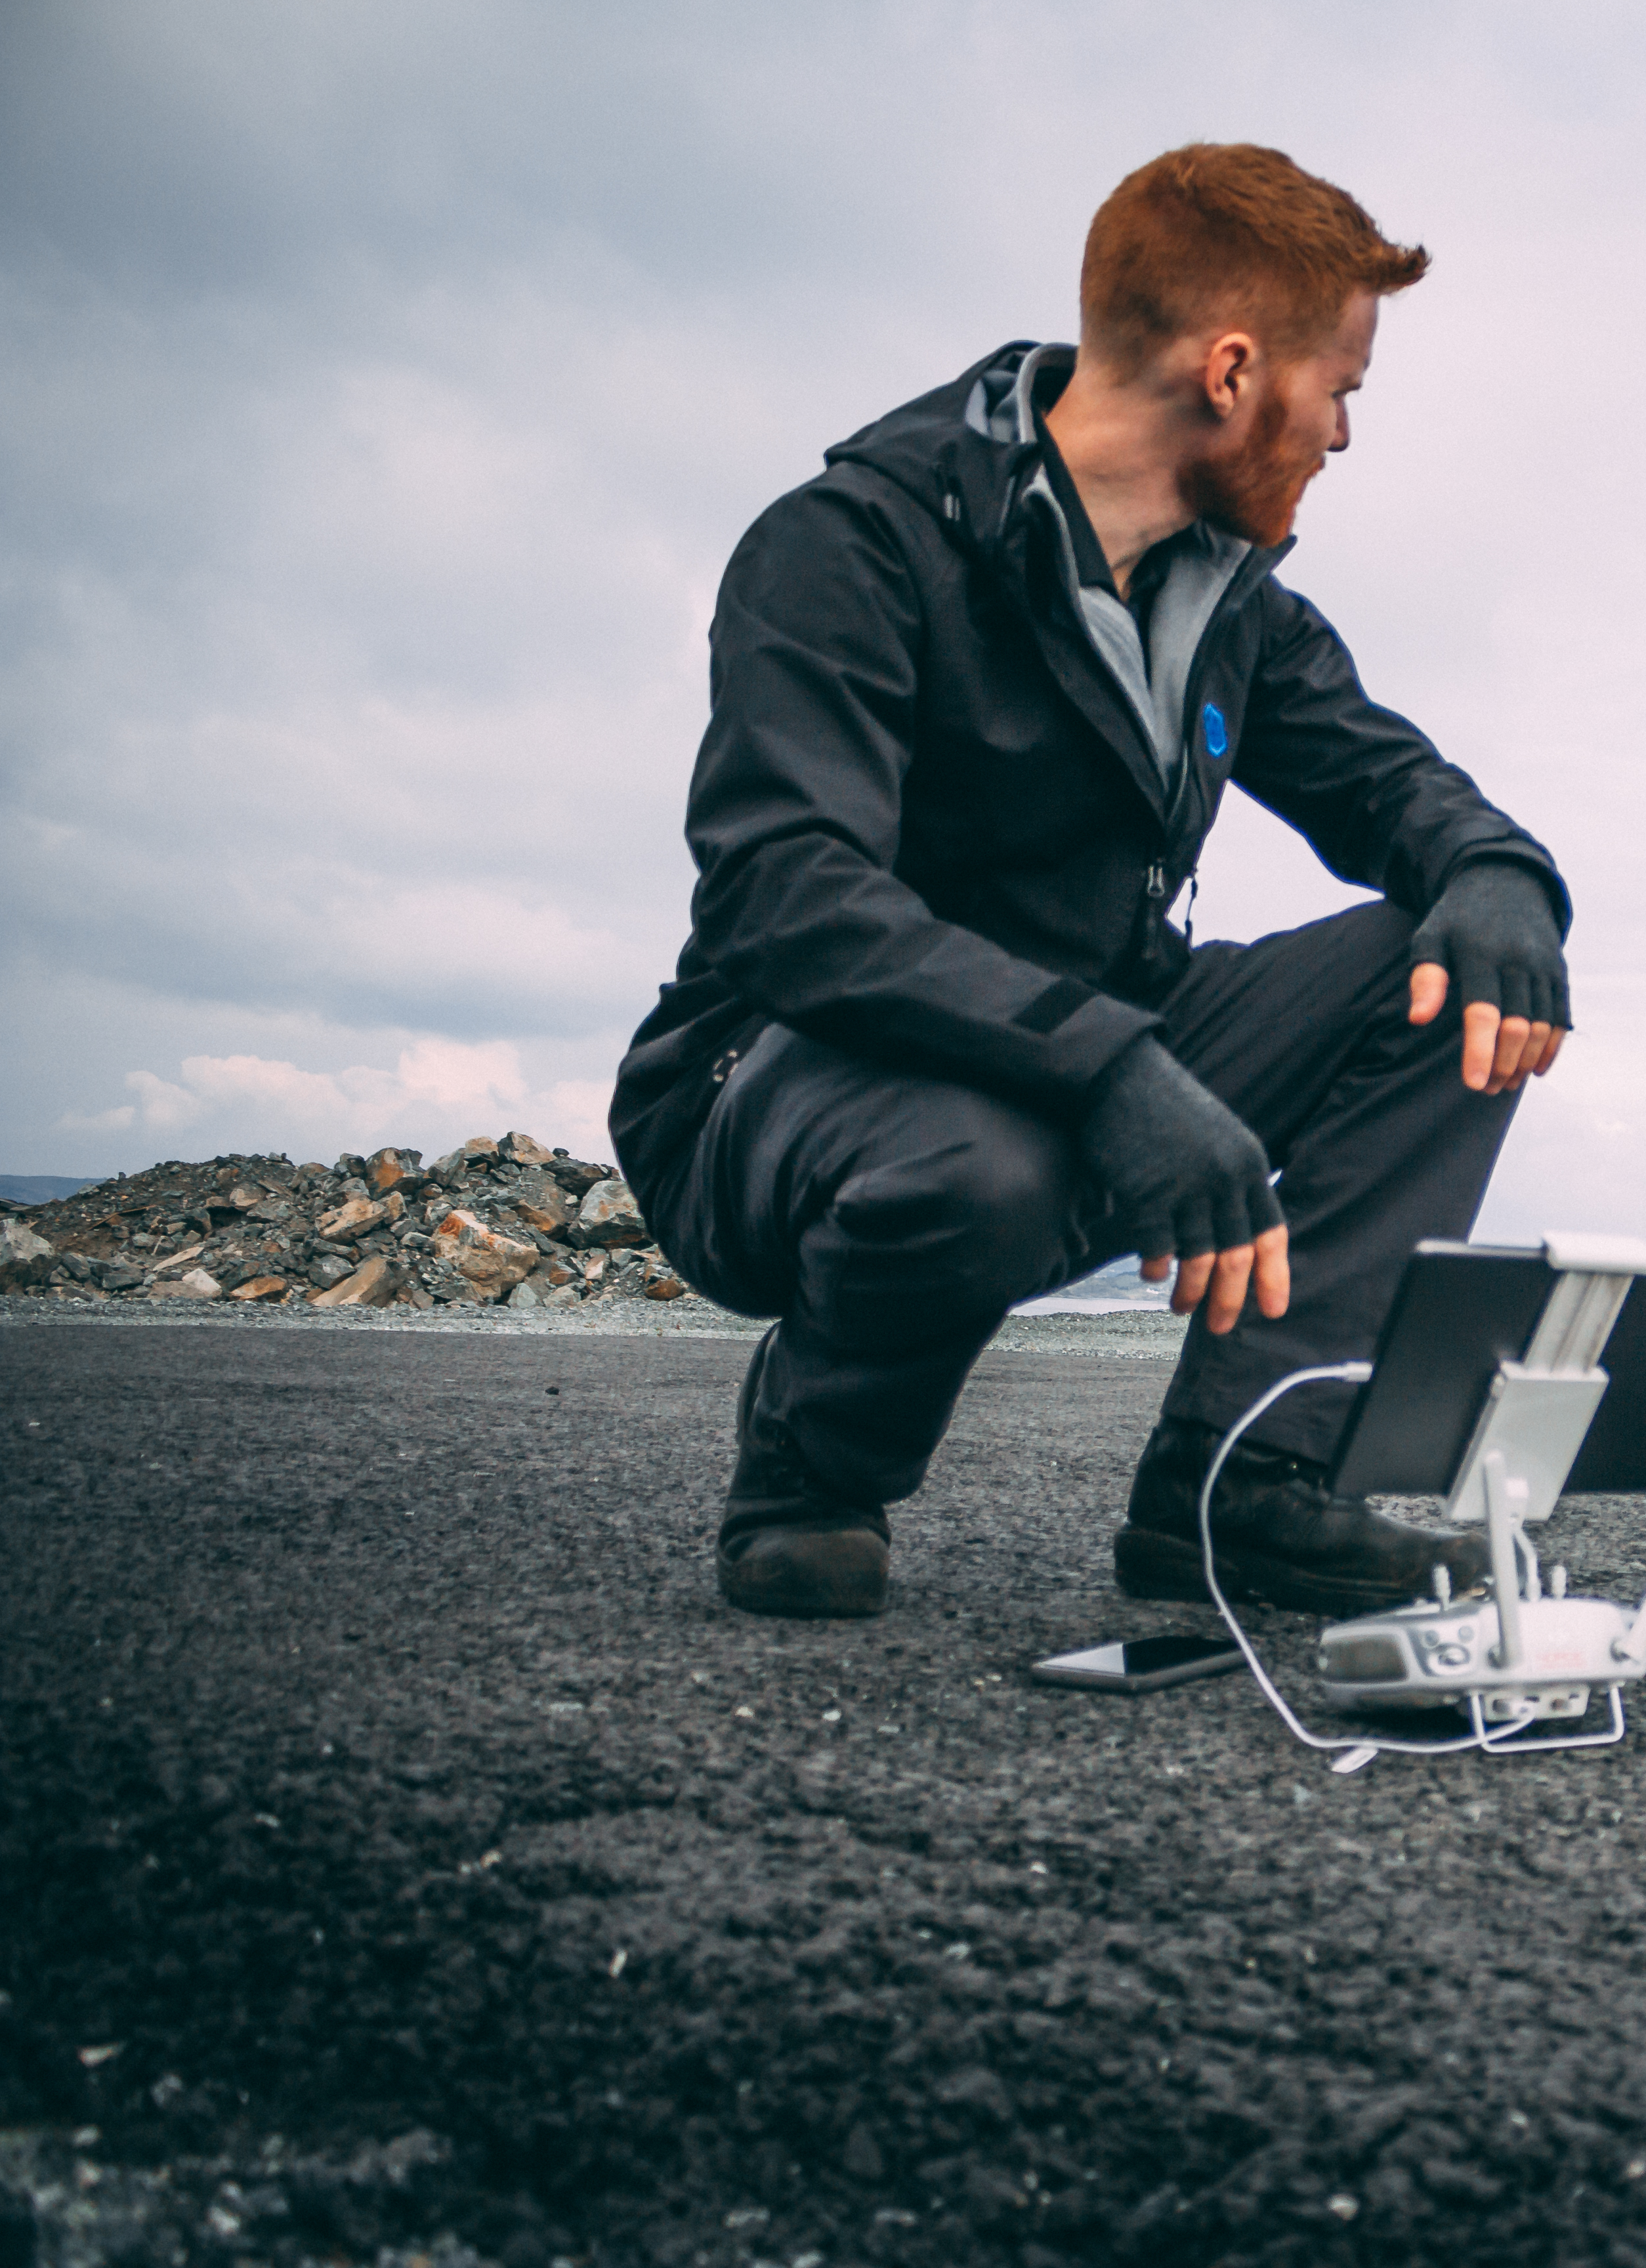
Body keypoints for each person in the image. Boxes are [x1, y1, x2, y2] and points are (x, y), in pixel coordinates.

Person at [610, 145, 1574, 1620]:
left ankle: (1245, 1482)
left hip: (1092, 1057)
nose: (1345, 433)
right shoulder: (854, 545)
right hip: (779, 1091)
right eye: (1341, 389)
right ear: (1232, 372)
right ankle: (812, 1469)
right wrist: (1111, 1068)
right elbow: (786, 899)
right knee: (985, 1162)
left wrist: (1498, 876)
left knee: (1443, 972)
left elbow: (1396, 790)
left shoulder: (1228, 602)